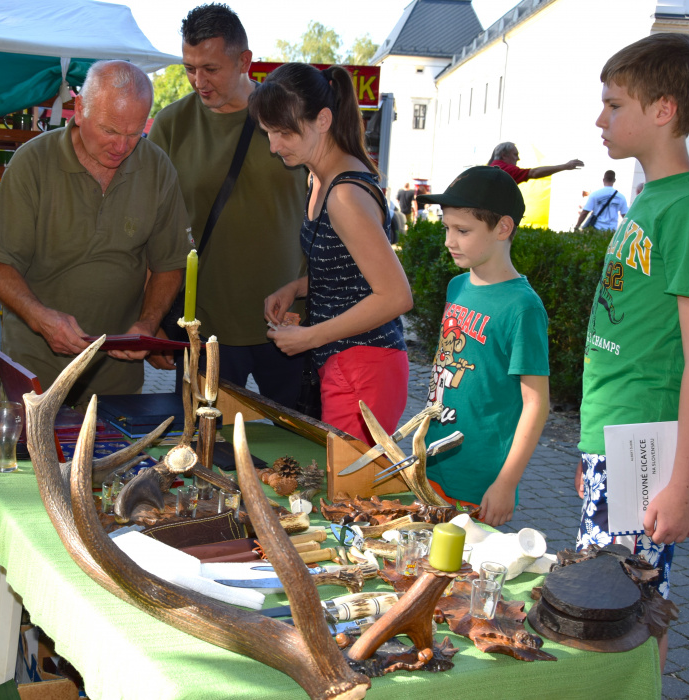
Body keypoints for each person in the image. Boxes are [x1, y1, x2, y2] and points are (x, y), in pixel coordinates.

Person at [575, 33, 689, 668]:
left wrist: (684, 485)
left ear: (664, 109)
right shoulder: (651, 199)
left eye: (614, 105)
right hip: (613, 448)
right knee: (606, 606)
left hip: (647, 459)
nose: (600, 119)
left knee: (625, 616)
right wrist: (594, 447)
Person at [0, 60, 191, 406]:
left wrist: (148, 324)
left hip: (116, 377)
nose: (121, 147)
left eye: (134, 133)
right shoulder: (32, 163)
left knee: (111, 460)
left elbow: (169, 264)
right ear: (79, 109)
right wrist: (41, 318)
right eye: (109, 131)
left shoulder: (157, 168)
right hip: (37, 370)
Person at [148, 3, 306, 408]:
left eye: (211, 69)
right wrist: (154, 321)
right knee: (202, 448)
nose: (198, 81)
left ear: (244, 61)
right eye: (189, 68)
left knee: (301, 453)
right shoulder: (170, 124)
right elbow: (153, 228)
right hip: (204, 326)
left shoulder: (289, 117)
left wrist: (312, 300)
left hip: (289, 321)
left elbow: (325, 215)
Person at [251, 63, 412, 444]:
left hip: (365, 365)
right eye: (268, 132)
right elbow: (353, 269)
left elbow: (396, 295)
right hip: (347, 362)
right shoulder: (319, 176)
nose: (274, 145)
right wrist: (298, 287)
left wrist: (310, 337)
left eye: (284, 132)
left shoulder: (344, 194)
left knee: (346, 496)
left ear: (323, 120)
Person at [417, 166, 550, 526]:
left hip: (478, 483)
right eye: (447, 228)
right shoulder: (456, 287)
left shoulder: (522, 307)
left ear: (503, 228)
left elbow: (536, 402)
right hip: (430, 467)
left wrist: (506, 482)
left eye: (463, 230)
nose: (449, 240)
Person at [488, 141, 583, 183]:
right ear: (504, 155)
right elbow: (534, 173)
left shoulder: (491, 167)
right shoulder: (505, 170)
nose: (518, 159)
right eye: (515, 154)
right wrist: (565, 166)